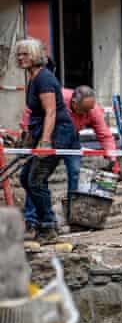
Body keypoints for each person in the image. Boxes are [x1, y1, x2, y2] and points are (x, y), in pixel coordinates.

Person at [20, 85, 117, 227]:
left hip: (72, 139)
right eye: (83, 110)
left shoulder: (93, 110)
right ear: (73, 102)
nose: (86, 114)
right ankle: (32, 219)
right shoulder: (59, 96)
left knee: (75, 173)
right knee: (36, 176)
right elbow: (30, 109)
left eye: (88, 111)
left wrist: (112, 156)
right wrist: (27, 130)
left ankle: (75, 216)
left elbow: (104, 133)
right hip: (49, 138)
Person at [15, 37, 80, 243]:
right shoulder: (33, 78)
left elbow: (51, 112)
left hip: (58, 133)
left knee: (36, 179)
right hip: (45, 131)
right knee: (26, 178)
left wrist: (44, 142)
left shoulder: (44, 79)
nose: (20, 58)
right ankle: (44, 222)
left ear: (35, 55)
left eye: (25, 54)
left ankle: (49, 226)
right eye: (19, 54)